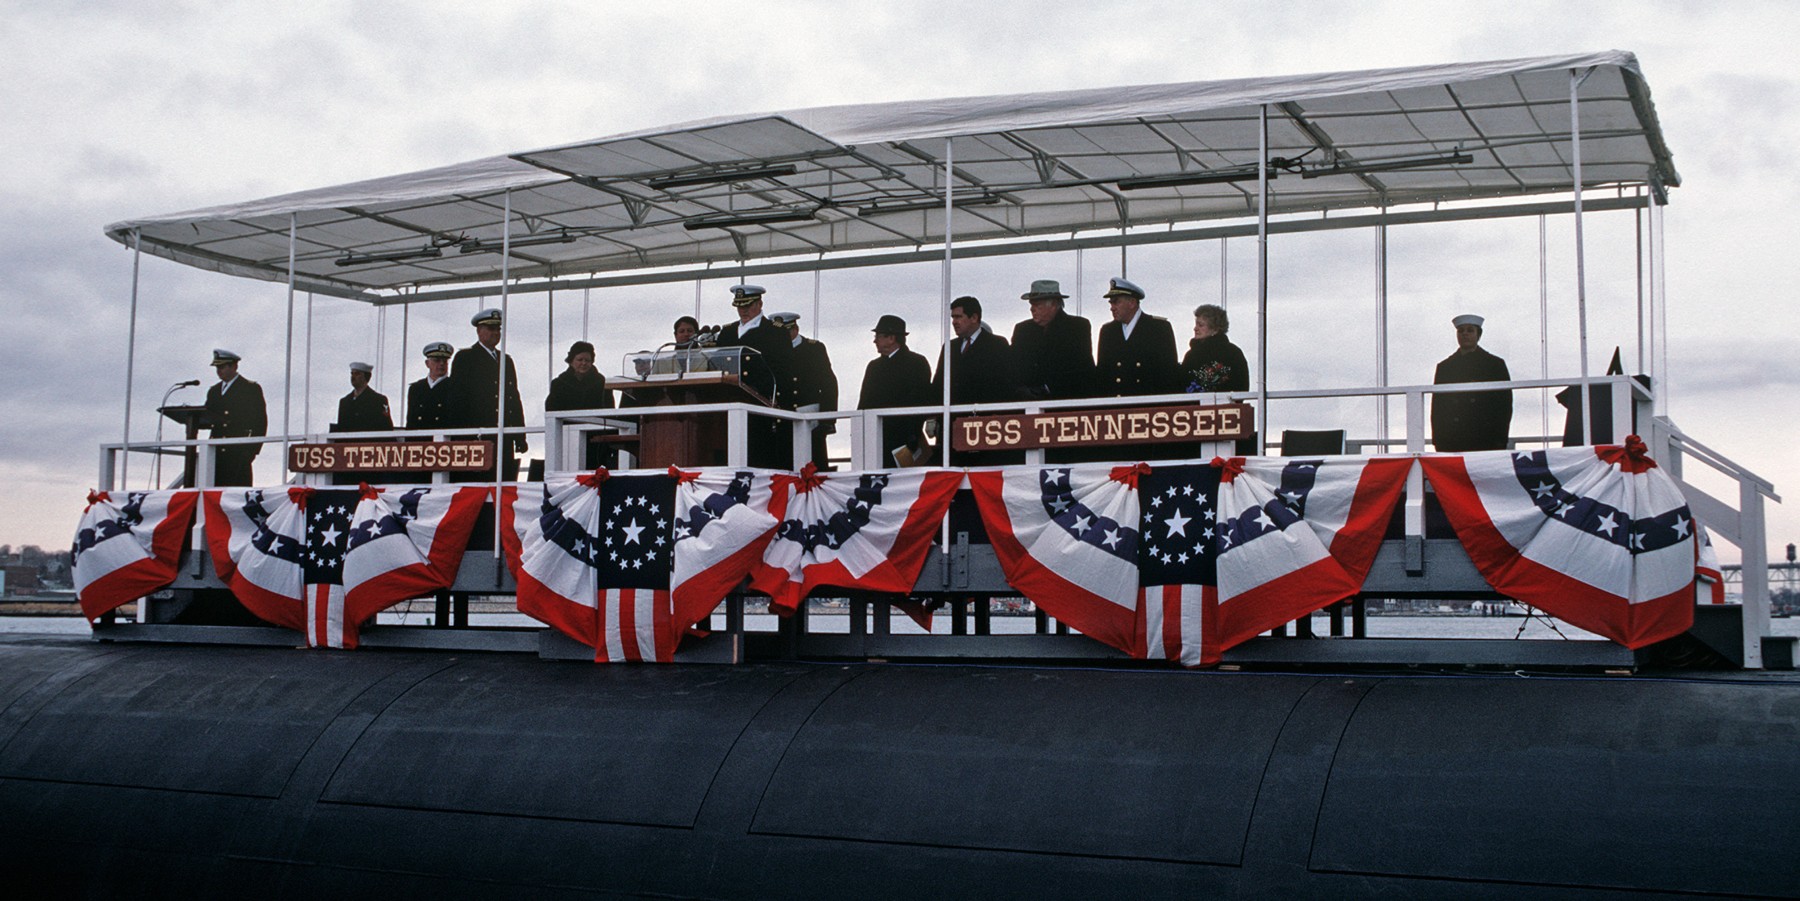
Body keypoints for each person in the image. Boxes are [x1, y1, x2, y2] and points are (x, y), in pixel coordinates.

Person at [932, 296, 1021, 465]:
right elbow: (938, 385)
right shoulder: (949, 347)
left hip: (987, 427)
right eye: (953, 317)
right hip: (954, 427)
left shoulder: (997, 345)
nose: (954, 322)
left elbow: (1008, 384)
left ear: (974, 318)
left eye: (959, 317)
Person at [715, 284, 796, 468]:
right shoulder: (727, 332)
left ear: (759, 304)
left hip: (761, 406)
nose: (743, 310)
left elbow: (783, 371)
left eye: (747, 305)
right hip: (731, 405)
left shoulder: (775, 332)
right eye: (739, 306)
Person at [451, 307, 527, 481]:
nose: (495, 333)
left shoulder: (505, 361)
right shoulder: (466, 358)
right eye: (491, 329)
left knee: (504, 483)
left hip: (503, 436)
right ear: (479, 331)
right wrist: (460, 438)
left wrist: (519, 436)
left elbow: (513, 399)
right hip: (477, 438)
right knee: (478, 486)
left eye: (498, 329)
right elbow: (457, 400)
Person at [857, 314, 934, 466]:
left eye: (878, 336)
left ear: (891, 338)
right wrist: (861, 430)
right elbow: (864, 402)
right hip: (877, 439)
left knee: (905, 480)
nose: (875, 341)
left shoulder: (916, 363)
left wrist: (912, 435)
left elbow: (919, 399)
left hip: (905, 440)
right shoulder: (874, 367)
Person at [1181, 303, 1255, 456]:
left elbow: (1240, 387)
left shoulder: (1231, 354)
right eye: (1196, 324)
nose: (1195, 328)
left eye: (1201, 325)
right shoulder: (1192, 355)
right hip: (1198, 423)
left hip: (1219, 422)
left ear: (1215, 328)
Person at [1432, 313, 1513, 452]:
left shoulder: (1494, 365)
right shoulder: (1445, 367)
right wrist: (1438, 441)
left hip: (1485, 438)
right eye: (1461, 331)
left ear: (1478, 335)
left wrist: (1500, 439)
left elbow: (1504, 406)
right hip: (1453, 440)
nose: (1465, 334)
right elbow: (1438, 407)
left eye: (1470, 330)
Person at [770, 311, 839, 470]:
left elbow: (828, 384)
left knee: (814, 468)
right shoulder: (771, 353)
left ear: (795, 329)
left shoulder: (813, 349)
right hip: (781, 419)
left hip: (809, 419)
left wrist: (828, 420)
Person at [1095, 277, 1181, 398]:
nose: (1112, 307)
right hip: (1116, 407)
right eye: (1111, 302)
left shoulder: (1159, 328)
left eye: (1116, 302)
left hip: (1148, 406)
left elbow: (1169, 374)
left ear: (1132, 303)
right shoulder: (1108, 331)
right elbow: (1102, 376)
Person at [1010, 279, 1095, 401]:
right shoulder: (1022, 330)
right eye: (1031, 305)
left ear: (1054, 305)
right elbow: (1014, 367)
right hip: (1027, 404)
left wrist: (1047, 388)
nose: (1032, 309)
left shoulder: (1077, 327)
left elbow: (1082, 369)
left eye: (1037, 305)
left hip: (1066, 402)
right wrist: (1021, 390)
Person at [545, 340, 615, 470]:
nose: (583, 363)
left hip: (596, 438)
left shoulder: (602, 382)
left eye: (587, 360)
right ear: (571, 360)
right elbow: (551, 409)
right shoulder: (559, 383)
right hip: (567, 438)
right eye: (580, 359)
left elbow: (609, 409)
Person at [203, 348, 266, 487]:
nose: (218, 371)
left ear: (234, 366)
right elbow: (206, 416)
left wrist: (251, 452)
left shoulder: (250, 389)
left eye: (222, 367)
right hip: (216, 453)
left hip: (238, 452)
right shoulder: (214, 391)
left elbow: (260, 422)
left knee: (236, 495)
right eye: (217, 367)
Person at [405, 341, 458, 432]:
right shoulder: (416, 389)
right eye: (437, 360)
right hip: (420, 441)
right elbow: (411, 422)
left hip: (444, 441)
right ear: (427, 363)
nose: (441, 364)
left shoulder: (455, 387)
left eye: (445, 361)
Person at [335, 361, 393, 433]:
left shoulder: (379, 400)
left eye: (357, 374)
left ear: (366, 376)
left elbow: (386, 428)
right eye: (352, 373)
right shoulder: (344, 402)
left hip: (369, 442)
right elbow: (341, 429)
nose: (353, 377)